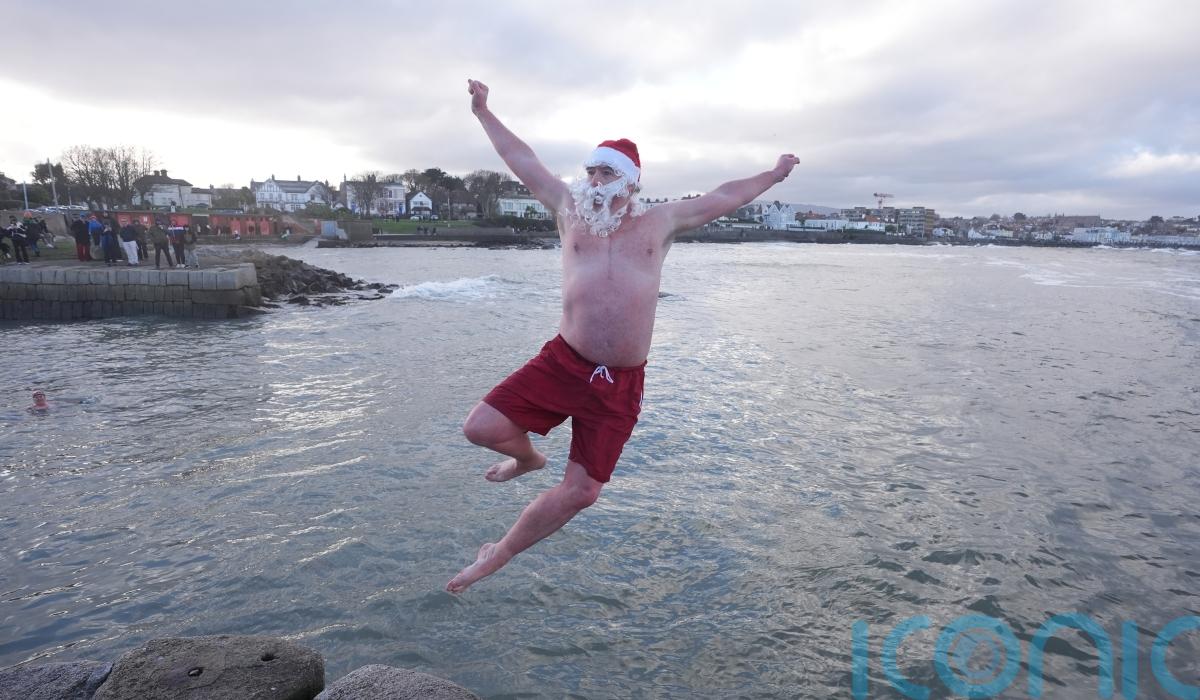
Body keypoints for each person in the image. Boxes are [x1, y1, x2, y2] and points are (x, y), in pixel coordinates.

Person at [445, 79, 799, 593]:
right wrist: (483, 111)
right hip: (564, 362)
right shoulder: (568, 210)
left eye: (606, 172)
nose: (594, 180)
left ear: (630, 182)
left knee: (583, 491)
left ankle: (497, 554)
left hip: (620, 382)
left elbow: (725, 197)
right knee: (479, 428)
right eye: (590, 170)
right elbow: (521, 159)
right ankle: (528, 458)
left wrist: (775, 173)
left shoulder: (659, 222)